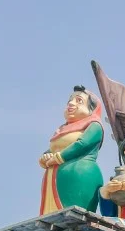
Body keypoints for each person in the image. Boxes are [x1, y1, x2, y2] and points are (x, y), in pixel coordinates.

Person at [39, 86, 105, 214]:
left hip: (78, 174)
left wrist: (58, 157)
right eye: (70, 100)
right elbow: (53, 148)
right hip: (53, 176)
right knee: (52, 214)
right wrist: (45, 157)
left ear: (91, 109)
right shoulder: (62, 129)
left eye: (79, 101)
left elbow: (82, 144)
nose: (71, 103)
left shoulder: (94, 126)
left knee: (72, 215)